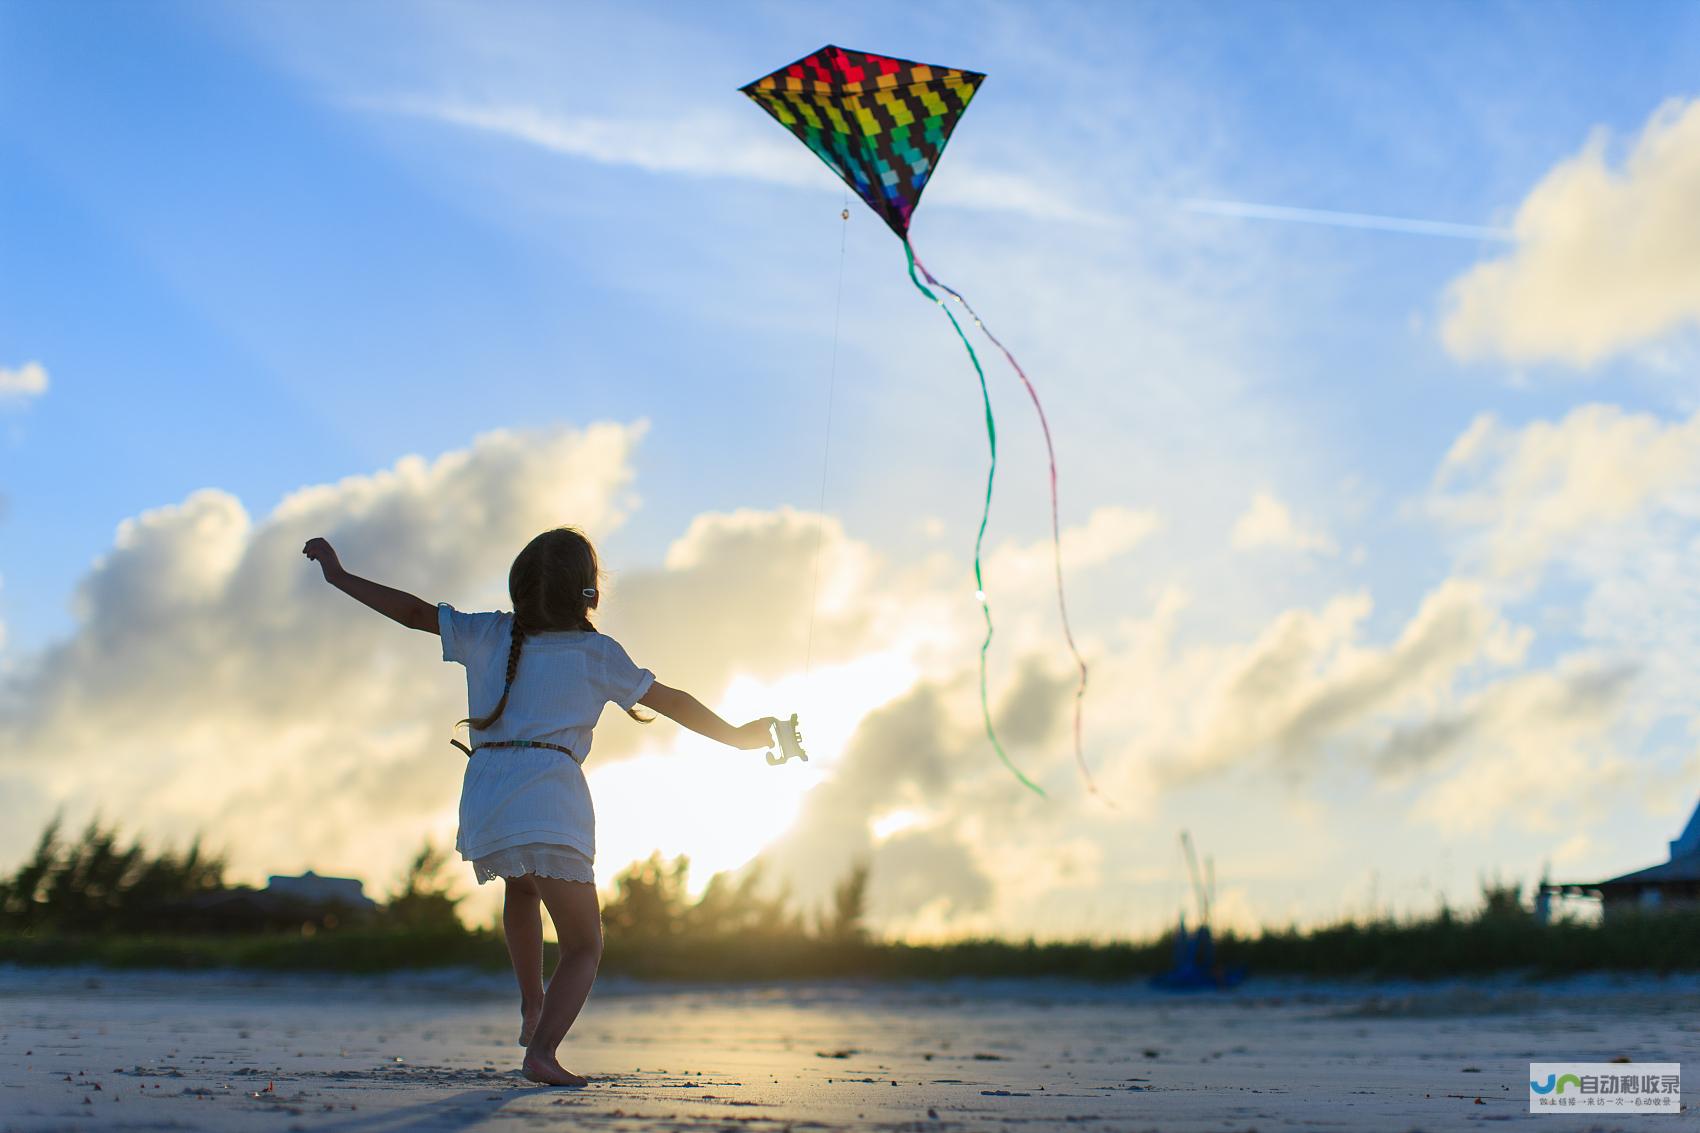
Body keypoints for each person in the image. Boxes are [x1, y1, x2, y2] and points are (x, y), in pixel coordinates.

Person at [303, 527, 776, 1086]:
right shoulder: (596, 653)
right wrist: (740, 736)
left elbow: (411, 612)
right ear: (589, 594)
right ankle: (543, 1052)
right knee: (584, 945)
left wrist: (338, 576)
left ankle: (532, 1005)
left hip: (487, 793)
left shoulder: (487, 633)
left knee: (523, 887)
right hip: (550, 793)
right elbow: (672, 702)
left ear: (518, 590)